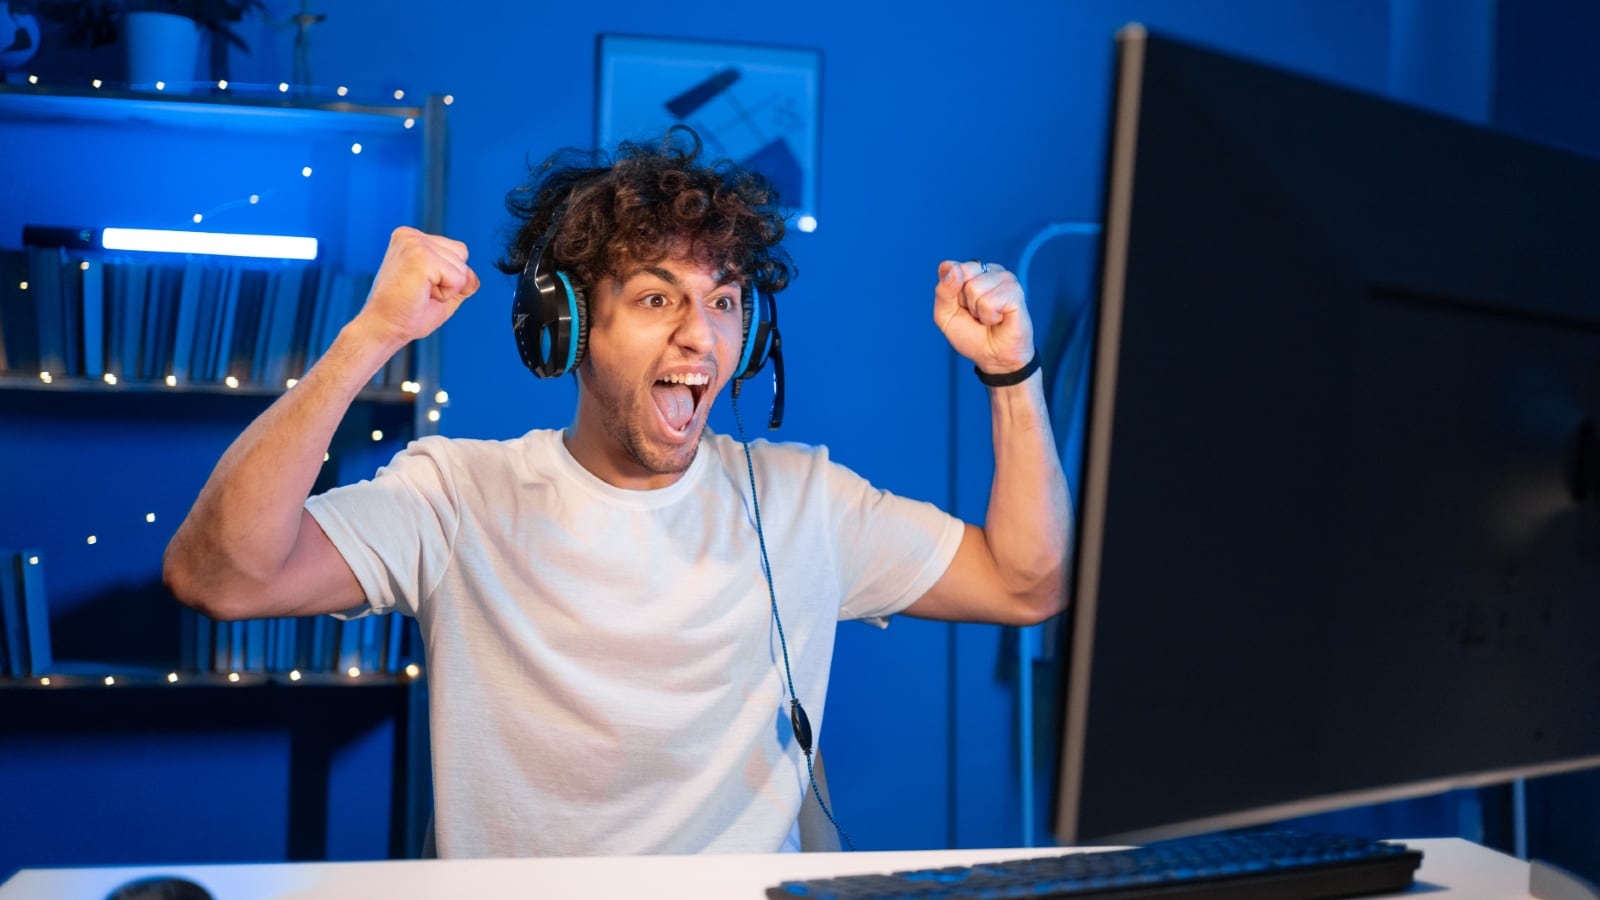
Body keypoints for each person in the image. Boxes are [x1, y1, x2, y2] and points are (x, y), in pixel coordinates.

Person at [162, 128, 1070, 858]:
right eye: (654, 299)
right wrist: (368, 338)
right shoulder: (456, 496)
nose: (700, 341)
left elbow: (1026, 585)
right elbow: (223, 577)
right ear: (565, 326)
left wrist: (1012, 373)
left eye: (723, 303)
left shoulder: (804, 502)